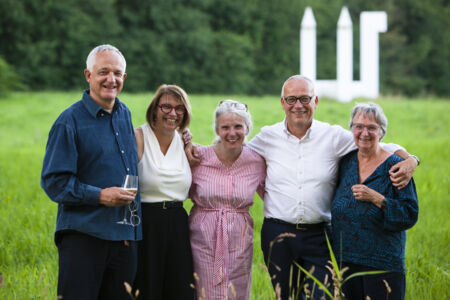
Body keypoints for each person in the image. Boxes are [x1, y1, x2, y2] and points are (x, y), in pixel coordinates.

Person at [244, 75, 419, 300]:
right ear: (282, 103)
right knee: (287, 296)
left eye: (305, 98)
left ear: (315, 101)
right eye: (292, 99)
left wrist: (412, 159)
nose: (298, 105)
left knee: (323, 294)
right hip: (278, 234)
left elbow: (374, 142)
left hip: (318, 235)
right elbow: (239, 155)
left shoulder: (333, 136)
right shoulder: (268, 136)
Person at [41, 44, 140, 299]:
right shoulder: (69, 121)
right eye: (103, 72)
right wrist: (100, 196)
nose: (111, 79)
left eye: (117, 73)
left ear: (124, 78)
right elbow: (54, 182)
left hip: (123, 239)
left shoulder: (124, 114)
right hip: (84, 238)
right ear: (88, 75)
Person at [331, 103, 418, 300]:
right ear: (351, 129)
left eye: (372, 127)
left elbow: (410, 213)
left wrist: (378, 199)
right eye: (358, 126)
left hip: (383, 265)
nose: (364, 133)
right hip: (346, 263)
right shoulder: (346, 162)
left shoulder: (396, 167)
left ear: (382, 132)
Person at [188, 100, 266, 299]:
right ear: (217, 129)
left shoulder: (256, 161)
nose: (232, 133)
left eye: (238, 126)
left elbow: (273, 196)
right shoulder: (198, 157)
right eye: (225, 127)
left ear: (247, 128)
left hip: (239, 239)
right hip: (202, 237)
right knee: (203, 292)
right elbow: (177, 189)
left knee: (235, 292)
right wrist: (184, 141)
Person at [133, 84, 194, 300]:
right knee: (146, 288)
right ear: (155, 109)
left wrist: (189, 146)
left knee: (179, 289)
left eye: (179, 108)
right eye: (166, 106)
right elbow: (125, 184)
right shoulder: (138, 137)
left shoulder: (184, 141)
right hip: (146, 224)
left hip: (178, 224)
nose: (173, 113)